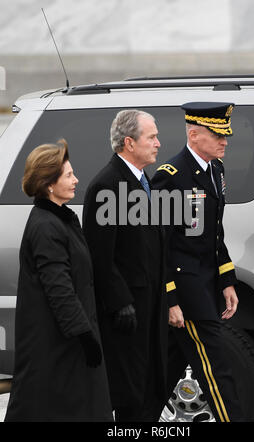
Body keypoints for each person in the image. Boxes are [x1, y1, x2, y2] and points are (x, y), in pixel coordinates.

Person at [5, 139, 113, 422]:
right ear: (48, 184)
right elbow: (60, 289)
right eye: (68, 175)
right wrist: (85, 336)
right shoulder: (46, 226)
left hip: (66, 341)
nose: (77, 179)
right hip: (56, 345)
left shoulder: (60, 219)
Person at [152, 102, 244, 422]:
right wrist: (170, 298)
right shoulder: (170, 177)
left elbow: (214, 233)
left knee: (164, 372)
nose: (225, 141)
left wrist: (227, 279)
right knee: (215, 365)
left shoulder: (216, 170)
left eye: (225, 135)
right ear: (194, 134)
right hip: (185, 288)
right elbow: (158, 246)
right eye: (217, 135)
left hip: (206, 283)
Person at [82, 110, 173, 422]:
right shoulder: (106, 185)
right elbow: (99, 254)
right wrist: (120, 302)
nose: (159, 143)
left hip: (153, 306)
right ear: (129, 143)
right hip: (127, 314)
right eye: (152, 137)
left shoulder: (145, 181)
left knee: (152, 388)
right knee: (130, 395)